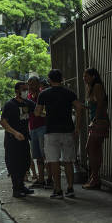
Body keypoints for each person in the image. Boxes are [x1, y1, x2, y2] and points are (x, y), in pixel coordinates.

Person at [35, 69, 84, 199]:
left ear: (49, 80)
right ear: (61, 79)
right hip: (68, 131)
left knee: (54, 161)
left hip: (51, 132)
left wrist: (47, 114)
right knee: (68, 161)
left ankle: (57, 190)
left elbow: (37, 112)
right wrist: (77, 127)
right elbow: (79, 107)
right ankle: (70, 188)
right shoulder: (69, 93)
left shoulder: (44, 94)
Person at [0, 82, 37, 198]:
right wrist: (15, 133)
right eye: (24, 90)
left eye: (27, 89)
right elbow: (3, 122)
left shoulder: (28, 103)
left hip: (24, 139)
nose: (26, 91)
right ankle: (16, 189)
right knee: (14, 164)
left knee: (25, 162)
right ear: (17, 91)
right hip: (12, 139)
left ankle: (21, 186)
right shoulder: (10, 105)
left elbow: (38, 111)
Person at [82, 68, 109, 189]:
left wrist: (95, 120)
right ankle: (95, 177)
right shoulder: (91, 88)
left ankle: (95, 178)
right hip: (97, 121)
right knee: (94, 150)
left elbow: (101, 104)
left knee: (91, 148)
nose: (84, 78)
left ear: (93, 76)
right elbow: (94, 106)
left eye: (86, 76)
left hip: (99, 122)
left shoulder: (97, 86)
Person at [27, 76, 49, 188]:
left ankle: (50, 179)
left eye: (32, 84)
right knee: (37, 156)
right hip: (33, 128)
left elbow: (45, 112)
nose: (30, 86)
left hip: (42, 127)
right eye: (29, 84)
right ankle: (41, 179)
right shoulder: (29, 96)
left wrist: (38, 113)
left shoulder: (43, 95)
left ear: (38, 84)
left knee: (45, 154)